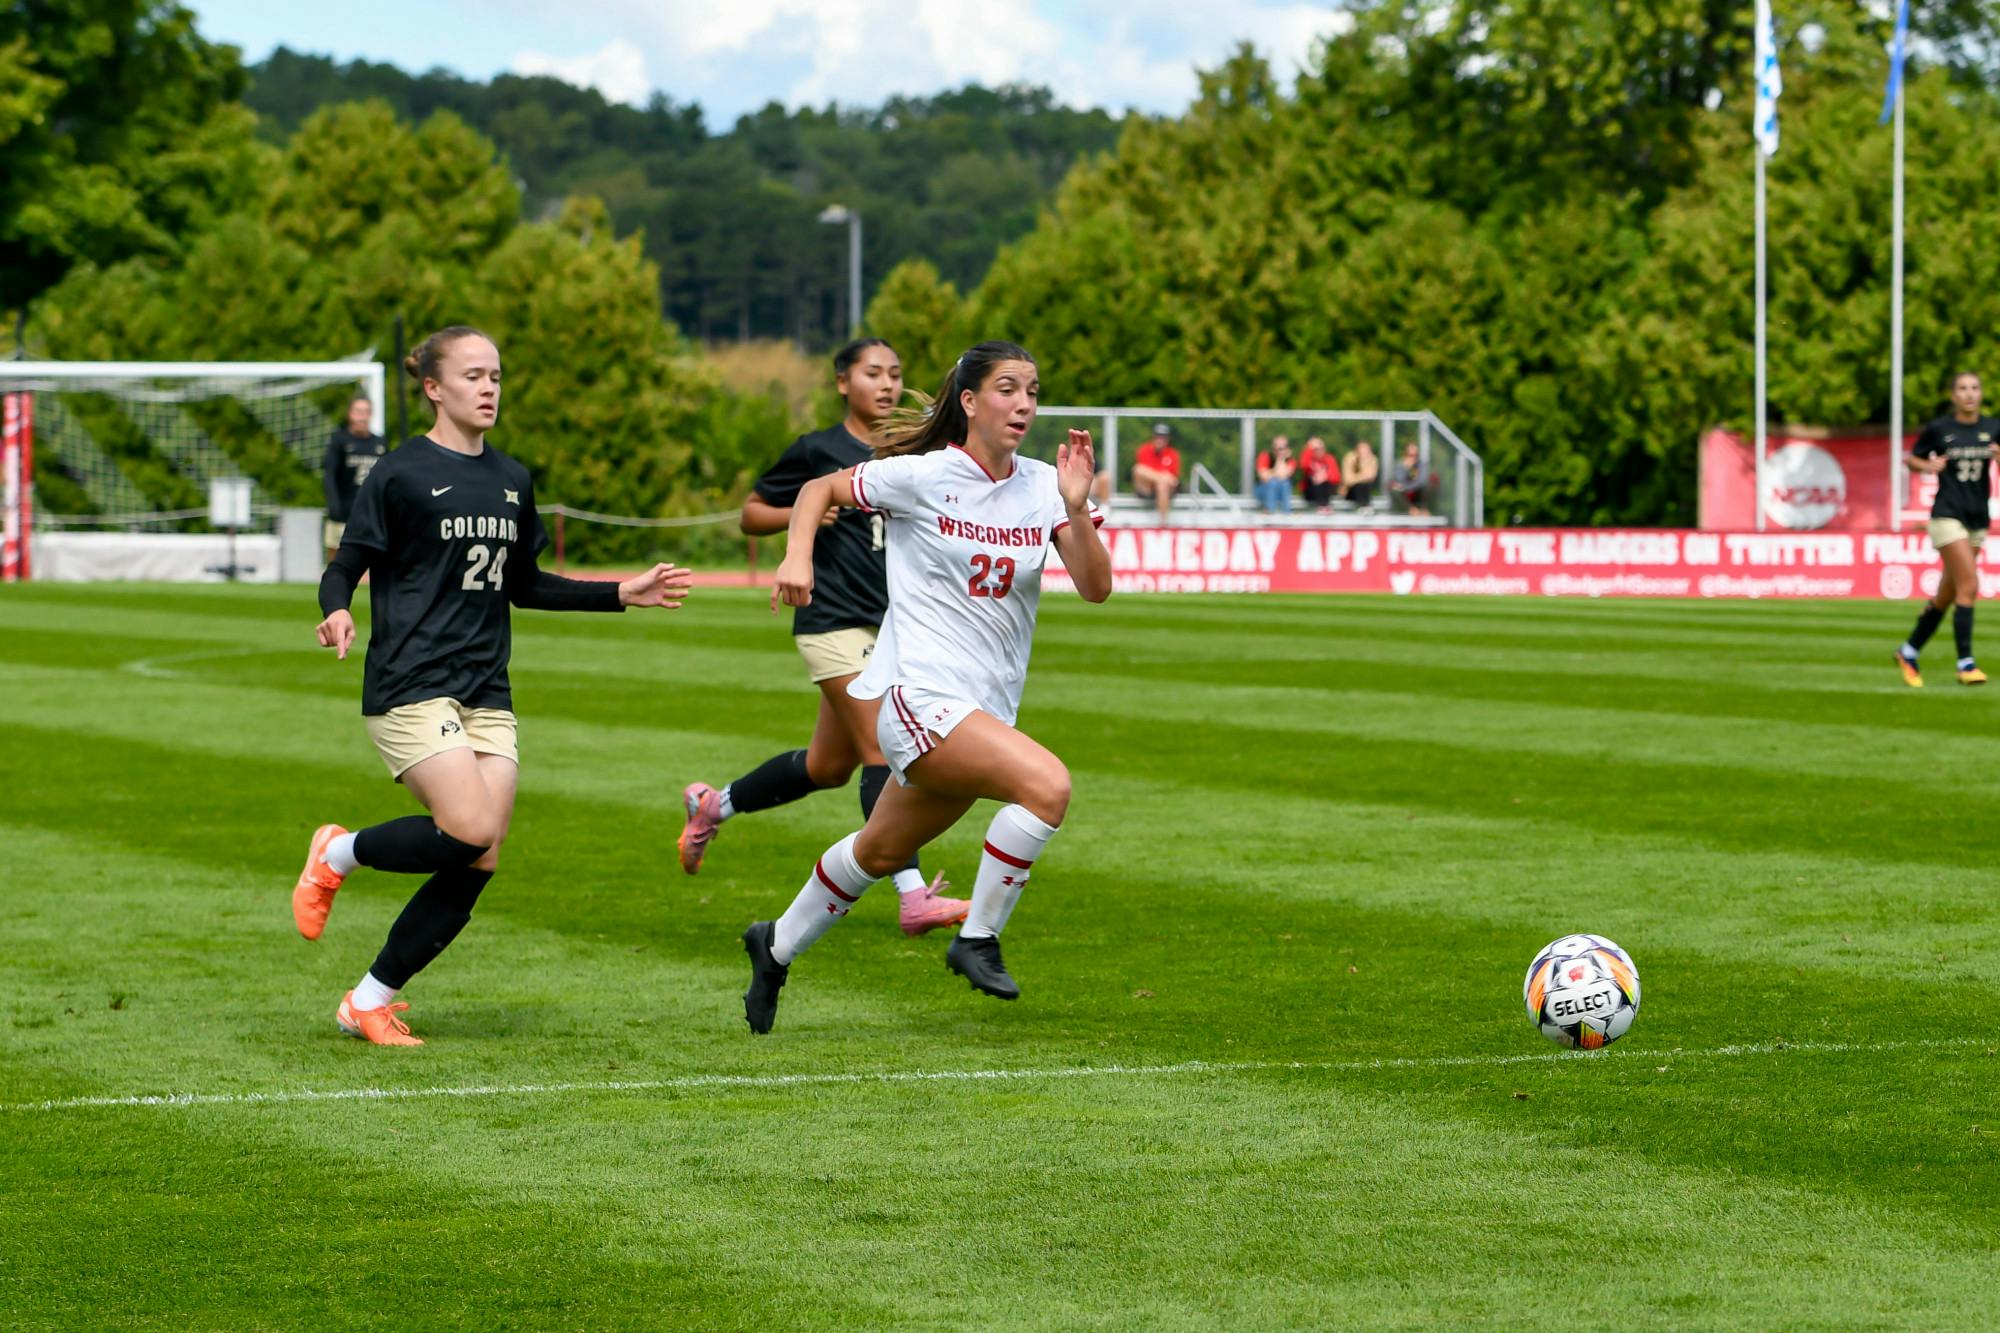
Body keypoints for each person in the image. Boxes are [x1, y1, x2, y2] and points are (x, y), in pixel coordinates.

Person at [295, 325, 693, 1046]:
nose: (488, 388)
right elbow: (345, 562)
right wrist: (336, 608)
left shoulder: (512, 478)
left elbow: (525, 584)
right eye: (473, 375)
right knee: (468, 828)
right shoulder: (399, 472)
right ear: (433, 387)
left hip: (485, 688)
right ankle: (337, 854)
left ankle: (368, 1000)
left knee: (481, 854)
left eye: (496, 376)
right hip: (410, 681)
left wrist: (619, 593)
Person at [741, 340, 1113, 1034]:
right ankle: (978, 938)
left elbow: (1096, 587)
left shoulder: (1044, 487)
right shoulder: (922, 475)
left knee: (877, 852)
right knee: (1048, 787)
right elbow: (819, 489)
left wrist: (1075, 506)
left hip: (982, 712)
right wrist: (796, 556)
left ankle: (775, 945)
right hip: (920, 699)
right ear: (969, 401)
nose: (1024, 404)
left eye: (1032, 391)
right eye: (1007, 388)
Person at [678, 338, 970, 934]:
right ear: (842, 382)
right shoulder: (818, 451)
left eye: (894, 374)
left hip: (889, 627)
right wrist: (799, 520)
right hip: (831, 620)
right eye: (872, 373)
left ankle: (713, 805)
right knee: (883, 748)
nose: (886, 385)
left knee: (827, 766)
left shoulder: (912, 453)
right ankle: (913, 897)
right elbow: (751, 514)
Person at [1895, 371, 2000, 686]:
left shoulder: (1992, 427)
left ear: (1981, 393)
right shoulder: (1941, 428)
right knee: (1969, 584)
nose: (1969, 393)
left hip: (1977, 518)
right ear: (1953, 395)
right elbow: (1912, 459)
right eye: (1962, 388)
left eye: (1974, 388)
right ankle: (1966, 664)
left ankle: (1908, 651)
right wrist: (1927, 465)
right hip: (1946, 515)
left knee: (1946, 595)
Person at [323, 394, 388, 560]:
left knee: (368, 560)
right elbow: (329, 476)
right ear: (350, 414)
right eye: (358, 411)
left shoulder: (380, 443)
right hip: (343, 513)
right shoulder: (339, 441)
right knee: (337, 562)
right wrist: (334, 507)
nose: (362, 417)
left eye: (366, 412)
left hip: (371, 514)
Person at [1131, 423, 1181, 520]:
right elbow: (1141, 472)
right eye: (1157, 437)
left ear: (1167, 439)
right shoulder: (1144, 450)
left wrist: (1162, 480)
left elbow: (1173, 480)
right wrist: (1162, 477)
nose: (1160, 440)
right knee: (1138, 469)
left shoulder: (1173, 454)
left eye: (1163, 437)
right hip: (1146, 488)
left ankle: (1163, 522)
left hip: (1164, 490)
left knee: (1162, 486)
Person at [1254, 436, 1295, 514]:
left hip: (1281, 491)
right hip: (1262, 490)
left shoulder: (1290, 460)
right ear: (1273, 448)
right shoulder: (1265, 456)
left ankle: (1286, 513)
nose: (1280, 451)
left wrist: (1281, 459)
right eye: (1278, 448)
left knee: (1285, 484)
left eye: (1283, 448)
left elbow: (1284, 476)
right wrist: (1277, 472)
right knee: (1273, 482)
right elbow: (1264, 476)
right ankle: (1270, 512)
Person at [1297, 436, 1340, 511]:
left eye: (1321, 448)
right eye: (1315, 449)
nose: (1319, 451)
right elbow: (1303, 465)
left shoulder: (1329, 459)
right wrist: (1309, 449)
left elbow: (1336, 477)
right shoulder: (1309, 458)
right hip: (1310, 491)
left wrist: (1325, 477)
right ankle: (1322, 507)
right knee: (1312, 479)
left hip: (1325, 491)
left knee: (1325, 483)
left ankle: (1324, 506)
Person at [1390, 441, 1431, 516]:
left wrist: (1406, 487)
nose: (1413, 457)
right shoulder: (1400, 465)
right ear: (1406, 454)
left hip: (1417, 493)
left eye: (1415, 455)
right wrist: (1405, 468)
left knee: (1427, 486)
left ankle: (1423, 509)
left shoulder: (1421, 465)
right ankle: (1412, 509)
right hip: (1405, 496)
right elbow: (1399, 480)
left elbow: (1421, 481)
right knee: (1394, 489)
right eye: (1410, 455)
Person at [1342, 438, 1379, 506]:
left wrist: (1364, 462)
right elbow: (1347, 480)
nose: (1364, 453)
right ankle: (1363, 505)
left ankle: (1364, 505)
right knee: (1360, 485)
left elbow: (1372, 477)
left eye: (1366, 451)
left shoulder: (1373, 459)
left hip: (1365, 491)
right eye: (1362, 450)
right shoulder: (1350, 458)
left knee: (1365, 485)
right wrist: (1363, 476)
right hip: (1349, 492)